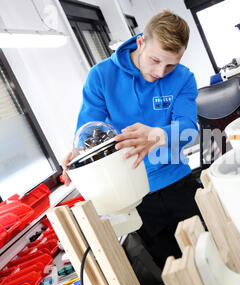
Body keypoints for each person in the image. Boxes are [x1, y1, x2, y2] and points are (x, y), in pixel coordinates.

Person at [62, 10, 204, 269]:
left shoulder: (183, 78)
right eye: (155, 60)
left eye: (170, 64)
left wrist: (157, 135)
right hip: (135, 195)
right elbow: (89, 131)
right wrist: (78, 154)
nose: (161, 72)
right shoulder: (101, 77)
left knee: (209, 258)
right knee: (175, 271)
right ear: (141, 42)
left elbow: (188, 129)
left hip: (179, 185)